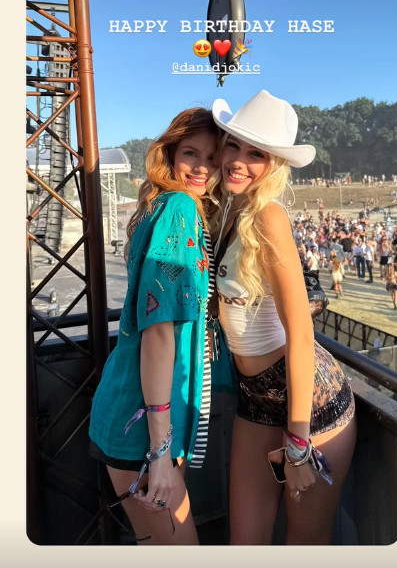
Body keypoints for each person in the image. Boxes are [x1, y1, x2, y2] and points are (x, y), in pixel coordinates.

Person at [211, 91, 356, 545]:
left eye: (256, 153)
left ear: (274, 164)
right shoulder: (230, 210)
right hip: (256, 396)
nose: (238, 161)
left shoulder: (269, 216)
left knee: (304, 545)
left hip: (310, 405)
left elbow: (300, 331)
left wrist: (297, 444)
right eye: (233, 145)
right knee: (245, 544)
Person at [88, 108, 223, 545]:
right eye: (191, 153)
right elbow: (160, 331)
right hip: (144, 433)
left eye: (213, 157)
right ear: (170, 154)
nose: (202, 168)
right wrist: (160, 451)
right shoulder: (179, 208)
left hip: (134, 417)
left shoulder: (160, 206)